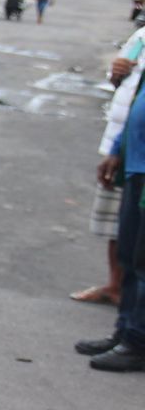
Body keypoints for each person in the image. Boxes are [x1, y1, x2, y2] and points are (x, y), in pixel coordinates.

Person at [76, 51, 145, 372]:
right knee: (129, 254)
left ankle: (137, 341)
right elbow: (136, 99)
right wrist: (118, 148)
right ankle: (125, 332)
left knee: (143, 260)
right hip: (135, 165)